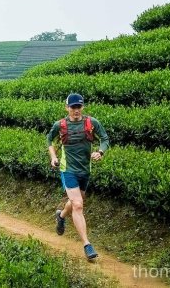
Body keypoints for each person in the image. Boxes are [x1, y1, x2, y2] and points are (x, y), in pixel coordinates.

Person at [46, 93, 109, 260]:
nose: (76, 110)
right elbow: (49, 140)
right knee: (78, 205)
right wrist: (53, 157)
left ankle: (61, 216)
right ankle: (87, 245)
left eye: (78, 107)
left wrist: (100, 152)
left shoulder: (92, 123)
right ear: (67, 107)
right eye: (73, 107)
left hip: (84, 170)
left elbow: (105, 139)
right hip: (68, 170)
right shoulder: (60, 125)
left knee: (76, 202)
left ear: (83, 107)